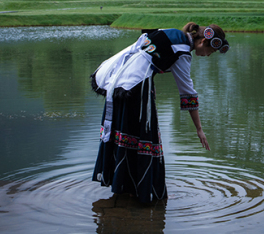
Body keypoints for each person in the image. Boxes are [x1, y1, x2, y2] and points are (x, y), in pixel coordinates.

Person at [90, 22, 229, 203]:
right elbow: (188, 93)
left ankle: (123, 188)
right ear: (203, 41)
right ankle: (140, 190)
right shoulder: (183, 53)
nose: (209, 56)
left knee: (123, 134)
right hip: (135, 88)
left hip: (118, 81)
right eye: (211, 51)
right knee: (143, 139)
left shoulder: (171, 33)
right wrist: (199, 129)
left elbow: (148, 55)